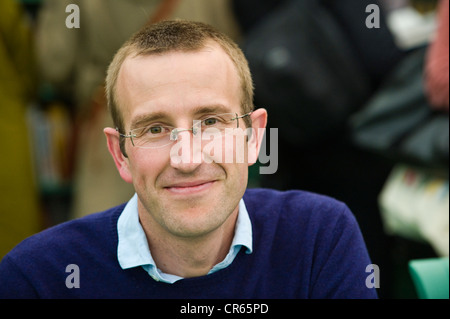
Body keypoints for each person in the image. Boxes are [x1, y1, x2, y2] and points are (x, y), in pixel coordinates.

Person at [0, 20, 377, 299]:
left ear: (253, 136)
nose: (187, 157)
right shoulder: (38, 278)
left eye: (211, 121)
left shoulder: (319, 237)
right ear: (121, 154)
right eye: (155, 129)